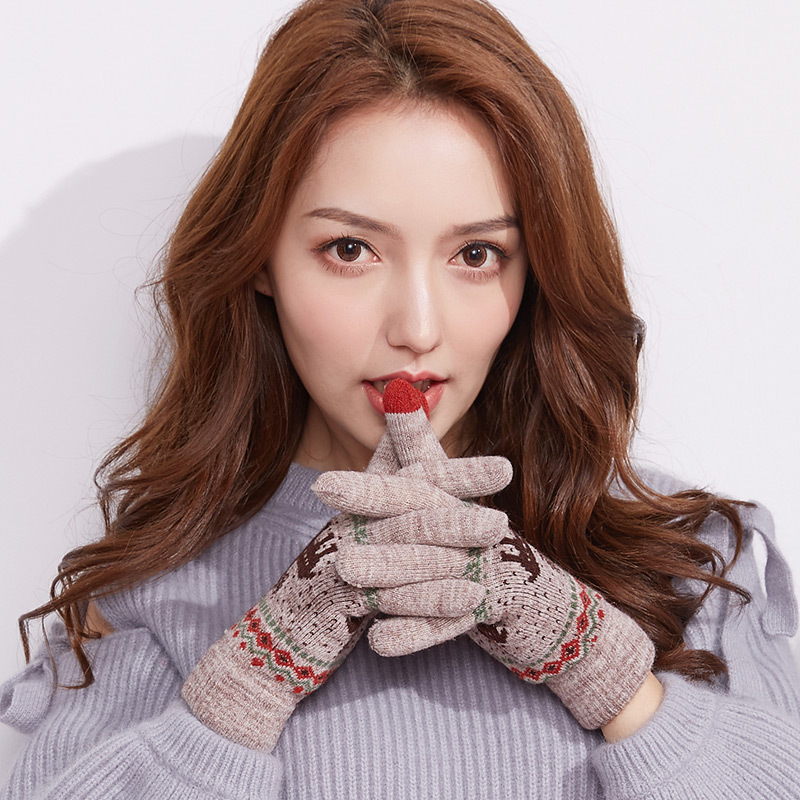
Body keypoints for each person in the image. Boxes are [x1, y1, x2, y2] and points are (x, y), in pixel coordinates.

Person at [2, 0, 799, 797]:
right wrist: (250, 680)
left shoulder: (687, 560)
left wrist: (606, 669)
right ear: (259, 257)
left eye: (477, 254)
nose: (417, 329)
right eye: (350, 249)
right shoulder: (155, 591)